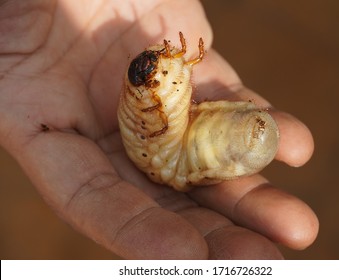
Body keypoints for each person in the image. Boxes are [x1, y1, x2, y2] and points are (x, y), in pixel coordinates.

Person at [0, 0, 318, 259]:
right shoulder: (159, 102)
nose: (161, 61)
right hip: (168, 157)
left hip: (171, 153)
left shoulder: (159, 95)